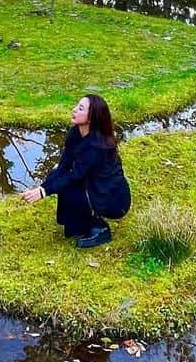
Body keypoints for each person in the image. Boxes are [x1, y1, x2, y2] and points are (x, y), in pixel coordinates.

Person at [22, 94, 131, 248]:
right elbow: (64, 166)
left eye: (80, 108)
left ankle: (99, 228)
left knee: (72, 186)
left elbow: (75, 176)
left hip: (113, 198)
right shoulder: (75, 133)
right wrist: (42, 188)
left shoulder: (96, 146)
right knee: (56, 176)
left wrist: (44, 192)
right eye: (76, 106)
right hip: (95, 186)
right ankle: (79, 225)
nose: (74, 110)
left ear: (91, 118)